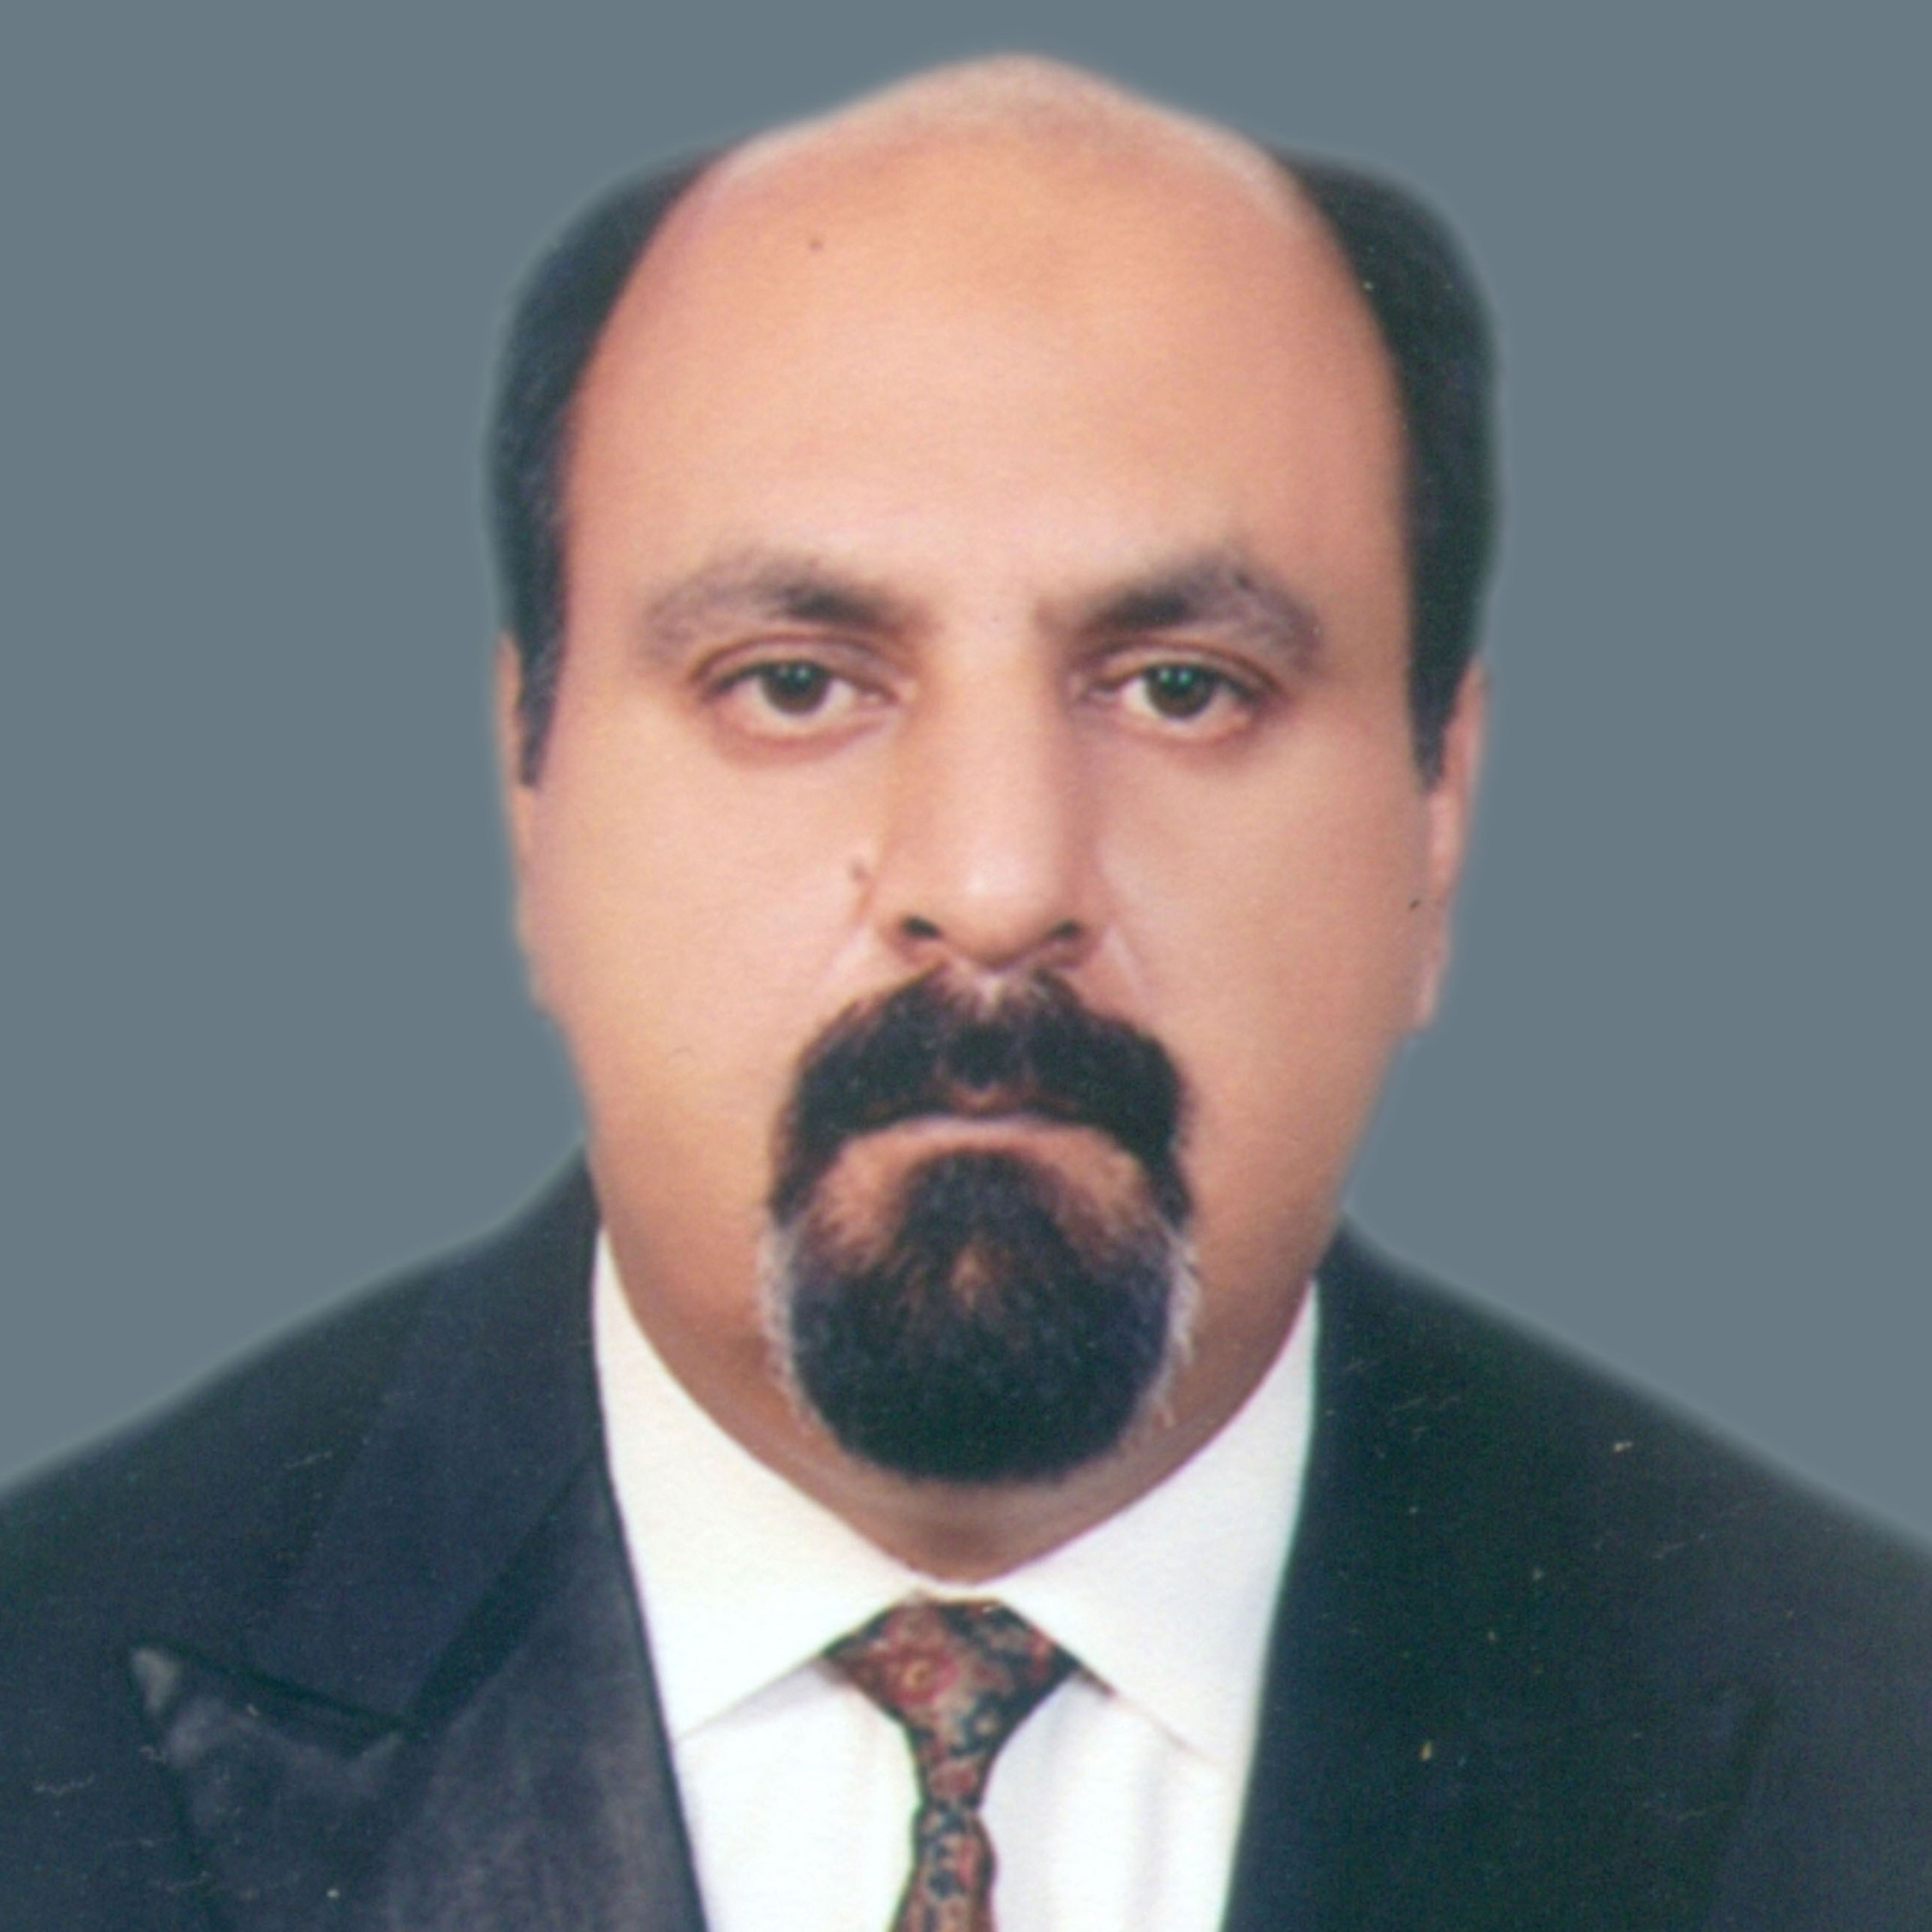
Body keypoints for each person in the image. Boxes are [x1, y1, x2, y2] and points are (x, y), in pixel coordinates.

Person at [2, 55, 1927, 1931]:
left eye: (1181, 687)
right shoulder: (43, 1709)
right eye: (794, 682)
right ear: (531, 788)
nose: (997, 884)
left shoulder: (1873, 1749)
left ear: (1436, 812)